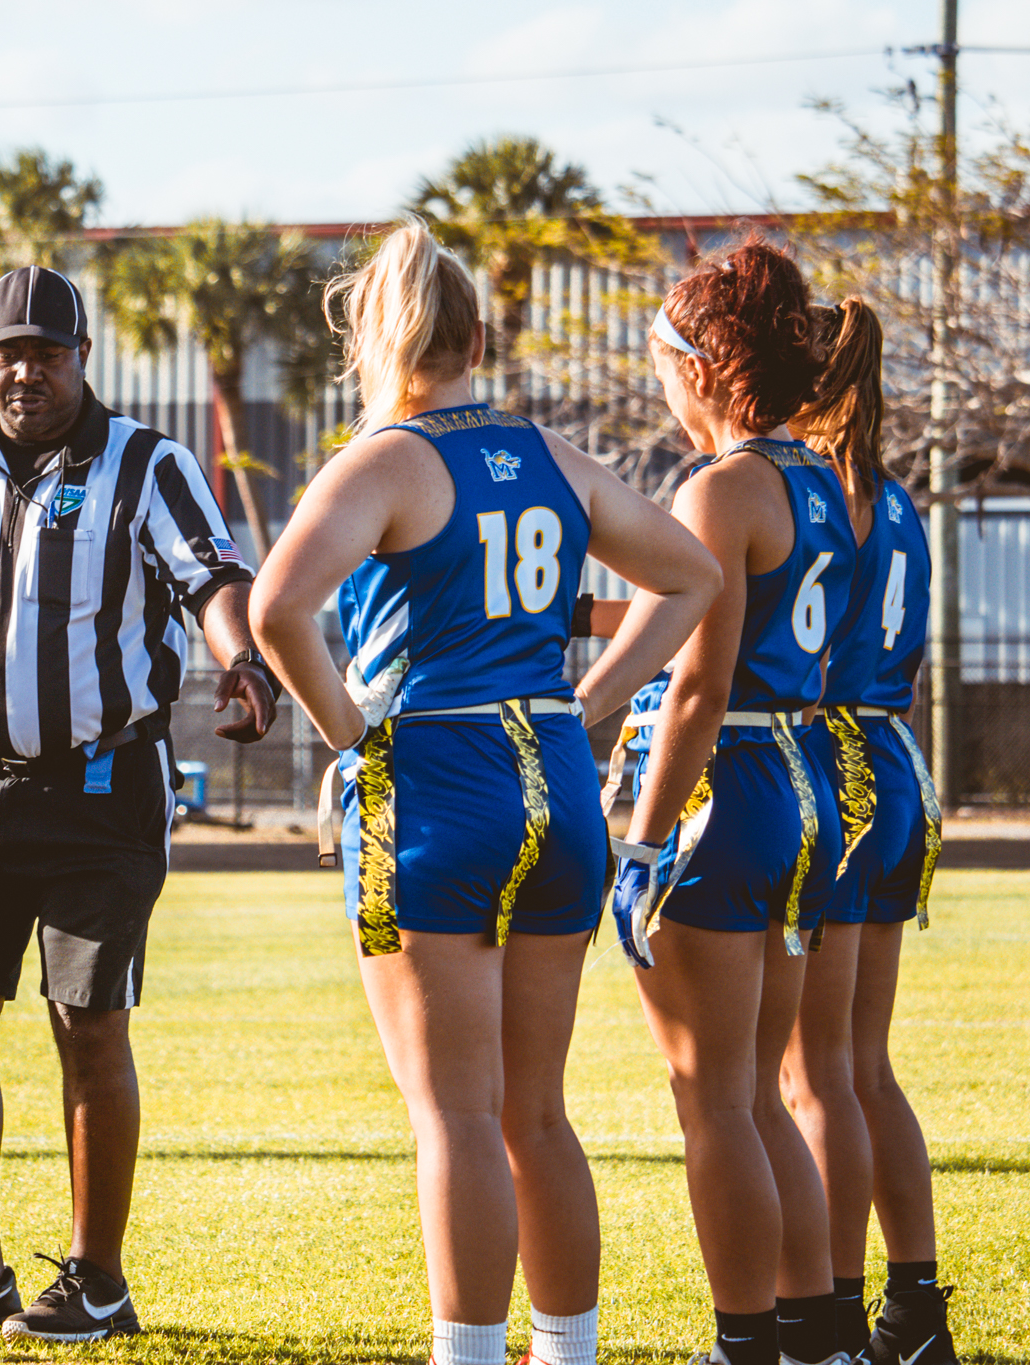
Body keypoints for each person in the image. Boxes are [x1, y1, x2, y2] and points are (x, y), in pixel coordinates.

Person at [248, 218, 720, 1365]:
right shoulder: (547, 454)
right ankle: (567, 1352)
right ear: (473, 335)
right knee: (535, 1112)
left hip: (435, 782)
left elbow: (275, 612)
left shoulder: (383, 459)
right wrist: (593, 703)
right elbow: (689, 576)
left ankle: (463, 1355)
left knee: (453, 1115)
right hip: (553, 781)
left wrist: (349, 737)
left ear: (379, 338)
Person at [0, 265, 279, 1343]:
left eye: (47, 350)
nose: (25, 370)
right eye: (7, 352)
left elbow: (211, 579)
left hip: (99, 785)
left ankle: (95, 1279)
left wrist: (242, 661)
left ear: (83, 356)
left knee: (87, 1025)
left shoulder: (146, 465)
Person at [608, 238, 855, 1365]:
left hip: (729, 792)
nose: (655, 374)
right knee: (760, 1094)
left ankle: (743, 1340)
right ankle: (811, 1331)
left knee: (713, 1099)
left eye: (663, 352)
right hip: (806, 783)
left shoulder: (722, 487)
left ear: (704, 361)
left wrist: (642, 839)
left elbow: (700, 686)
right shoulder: (819, 478)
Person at [781, 299, 959, 1364]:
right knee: (861, 1066)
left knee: (817, 1076)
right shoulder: (891, 498)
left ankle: (836, 1312)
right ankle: (912, 1308)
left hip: (834, 768)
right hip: (894, 761)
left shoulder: (813, 491)